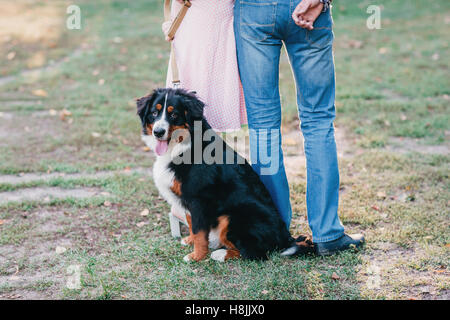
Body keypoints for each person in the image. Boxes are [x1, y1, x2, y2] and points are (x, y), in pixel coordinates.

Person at [234, 0, 365, 255]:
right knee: (318, 120)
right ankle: (327, 233)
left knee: (263, 125)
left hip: (254, 10)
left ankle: (274, 233)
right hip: (308, 6)